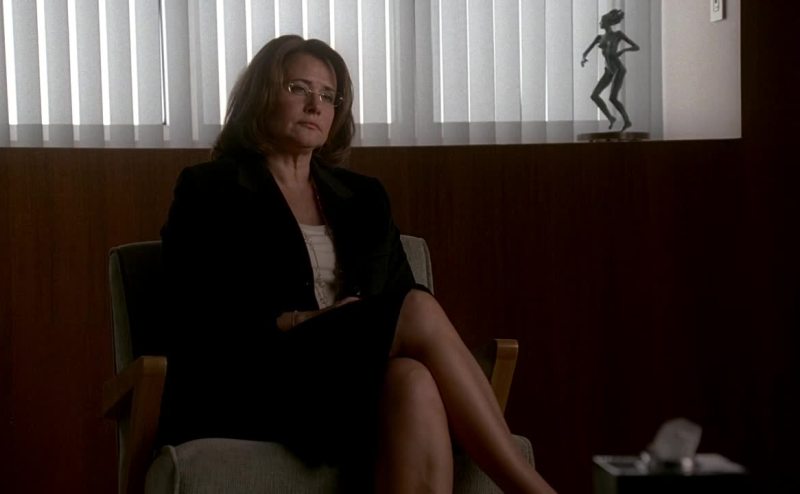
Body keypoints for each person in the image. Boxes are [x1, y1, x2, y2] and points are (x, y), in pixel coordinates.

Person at [159, 34, 557, 494]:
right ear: (261, 96)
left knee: (413, 378)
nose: (315, 105)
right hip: (258, 382)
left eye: (328, 96)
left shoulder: (364, 198)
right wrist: (306, 320)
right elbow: (195, 312)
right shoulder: (209, 190)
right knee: (417, 310)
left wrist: (358, 322)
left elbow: (397, 299)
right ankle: (530, 488)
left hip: (353, 384)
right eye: (298, 88)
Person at [580, 9, 640, 131]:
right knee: (594, 96)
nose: (600, 23)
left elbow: (636, 47)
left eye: (601, 21)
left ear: (607, 22)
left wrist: (623, 51)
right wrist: (583, 58)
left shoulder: (618, 35)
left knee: (612, 98)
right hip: (608, 70)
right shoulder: (599, 38)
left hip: (618, 69)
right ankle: (611, 118)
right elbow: (585, 52)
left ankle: (627, 121)